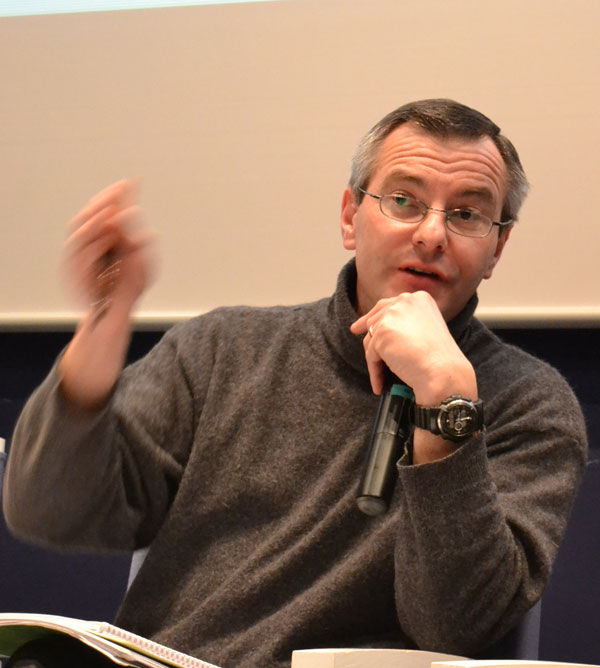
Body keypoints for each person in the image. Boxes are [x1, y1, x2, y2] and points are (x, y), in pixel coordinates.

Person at [3, 99, 587, 668]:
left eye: (466, 214)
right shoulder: (221, 350)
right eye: (404, 200)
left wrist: (447, 407)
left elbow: (456, 628)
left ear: (497, 248)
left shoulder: (528, 405)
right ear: (349, 217)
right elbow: (46, 513)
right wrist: (106, 319)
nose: (433, 234)